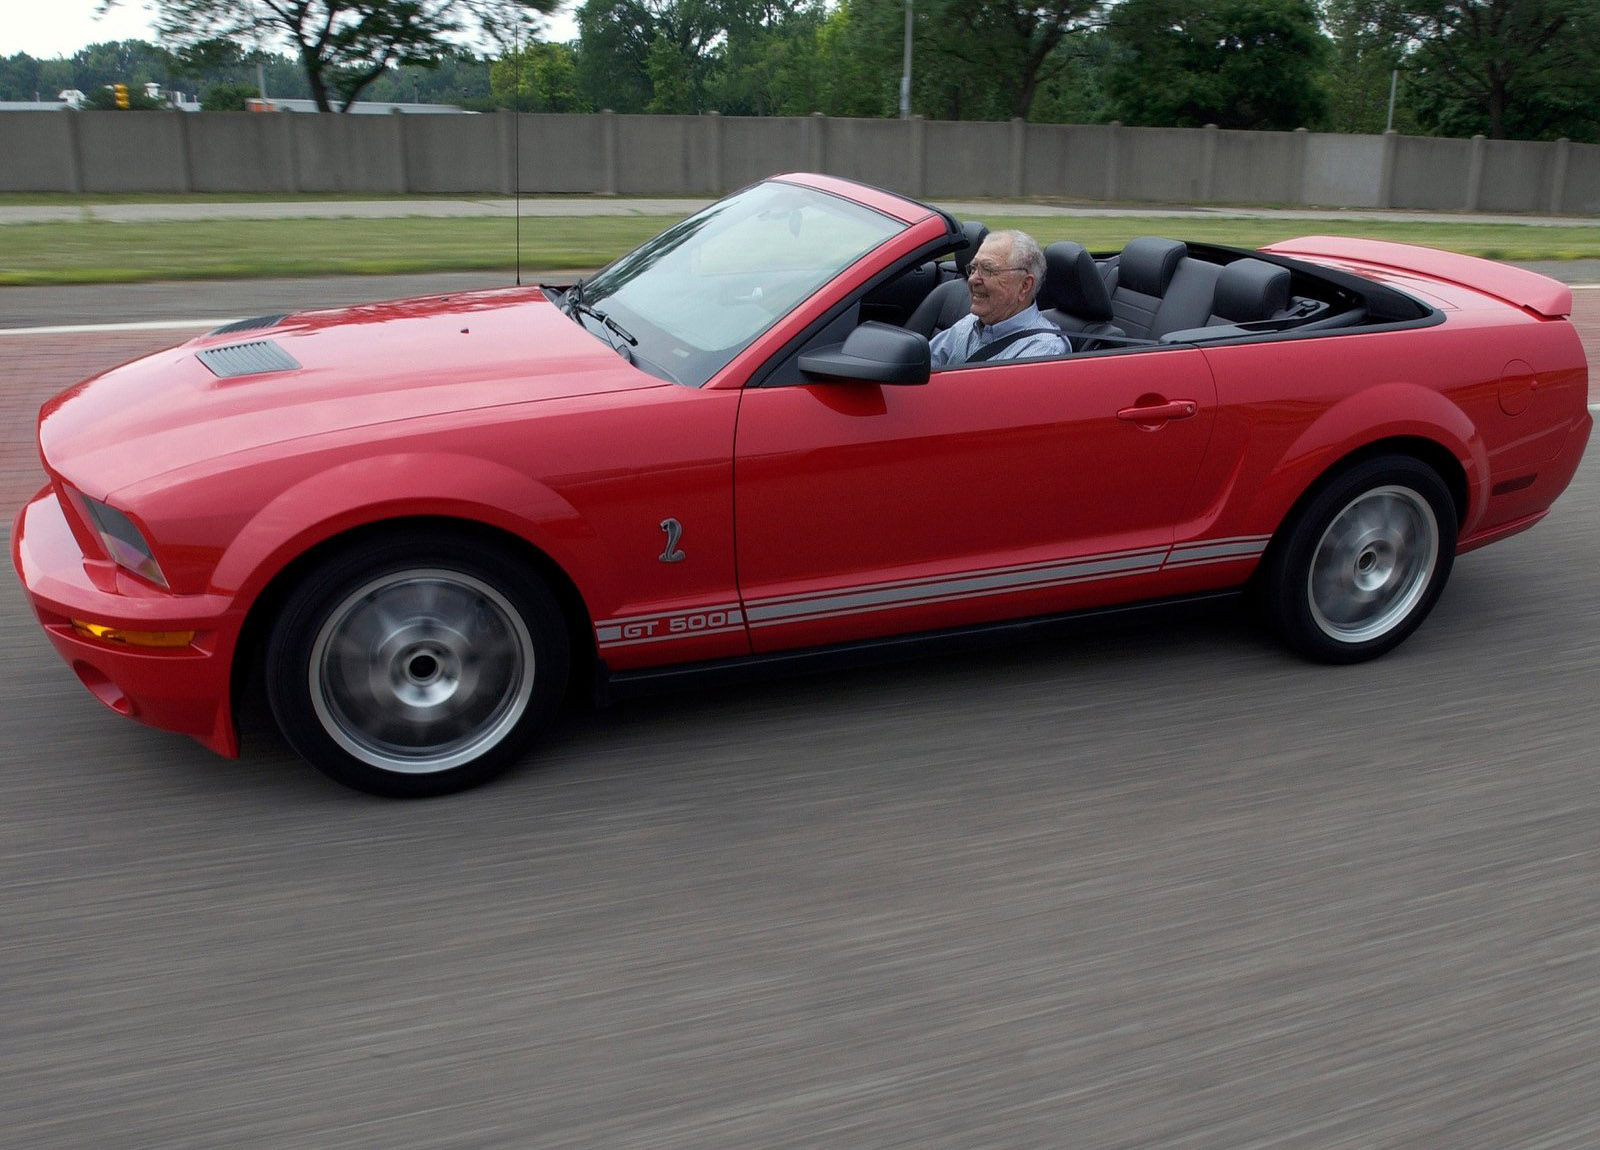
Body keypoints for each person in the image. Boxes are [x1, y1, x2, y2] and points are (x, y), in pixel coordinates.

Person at [929, 230, 1068, 367]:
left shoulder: (1043, 351)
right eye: (973, 268)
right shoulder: (970, 323)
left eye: (988, 270)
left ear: (1024, 285)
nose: (972, 279)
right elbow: (920, 366)